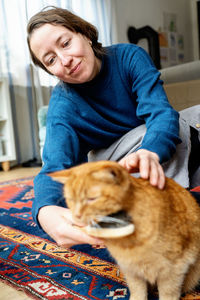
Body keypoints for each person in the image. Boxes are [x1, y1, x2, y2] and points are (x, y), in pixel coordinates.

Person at [27, 6, 199, 248]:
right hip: (116, 168)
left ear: (84, 34)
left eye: (65, 43)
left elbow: (160, 113)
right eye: (51, 60)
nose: (65, 61)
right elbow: (54, 166)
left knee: (185, 119)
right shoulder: (63, 106)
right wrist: (45, 212)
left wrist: (150, 151)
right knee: (153, 133)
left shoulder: (129, 56)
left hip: (153, 150)